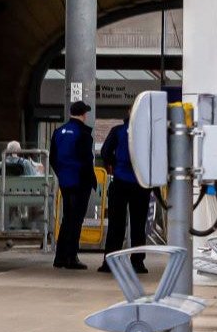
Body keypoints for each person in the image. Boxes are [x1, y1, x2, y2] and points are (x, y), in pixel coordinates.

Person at [96, 121, 152, 274]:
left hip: (120, 181)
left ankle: (110, 262)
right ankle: (138, 262)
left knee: (116, 225)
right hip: (141, 183)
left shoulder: (118, 130)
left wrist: (115, 164)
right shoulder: (148, 130)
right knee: (138, 225)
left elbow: (105, 152)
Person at [50, 101, 99, 270]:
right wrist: (91, 180)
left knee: (67, 218)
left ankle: (60, 257)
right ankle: (71, 256)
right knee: (76, 219)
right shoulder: (83, 133)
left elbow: (53, 159)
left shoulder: (58, 132)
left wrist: (62, 174)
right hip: (80, 181)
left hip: (65, 180)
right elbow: (86, 160)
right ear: (83, 114)